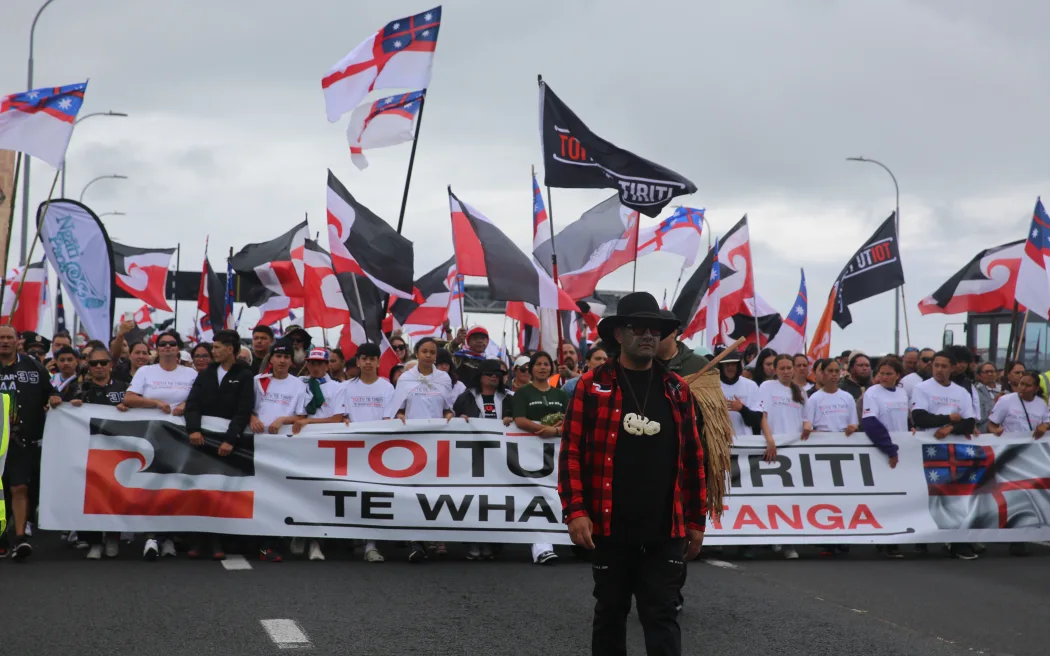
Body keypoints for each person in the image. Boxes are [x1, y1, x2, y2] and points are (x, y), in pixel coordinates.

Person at [559, 292, 706, 656]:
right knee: (610, 613)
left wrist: (696, 520)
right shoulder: (591, 386)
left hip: (664, 527)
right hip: (609, 526)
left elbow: (693, 456)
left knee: (662, 615)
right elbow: (571, 453)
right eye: (638, 327)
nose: (648, 335)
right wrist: (576, 511)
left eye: (655, 329)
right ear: (619, 334)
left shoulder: (678, 389)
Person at [124, 330, 199, 560]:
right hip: (151, 436)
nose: (167, 347)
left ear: (178, 349)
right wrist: (155, 402)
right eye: (163, 344)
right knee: (151, 486)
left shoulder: (190, 373)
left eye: (172, 344)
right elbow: (129, 398)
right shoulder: (146, 371)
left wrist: (186, 405)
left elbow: (200, 399)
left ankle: (169, 538)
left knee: (174, 486)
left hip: (180, 438)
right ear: (157, 349)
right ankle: (151, 537)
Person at [184, 329, 255, 561]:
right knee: (199, 490)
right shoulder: (205, 375)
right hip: (202, 440)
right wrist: (193, 429)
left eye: (216, 348)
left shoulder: (245, 375)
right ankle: (197, 539)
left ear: (230, 349)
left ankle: (218, 540)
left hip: (228, 443)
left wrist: (230, 440)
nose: (212, 352)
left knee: (221, 491)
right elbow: (192, 404)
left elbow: (243, 410)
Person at [386, 337, 453, 562]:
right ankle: (416, 540)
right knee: (413, 491)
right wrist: (402, 417)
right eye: (423, 351)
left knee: (437, 491)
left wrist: (449, 417)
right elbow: (399, 408)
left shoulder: (444, 378)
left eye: (432, 352)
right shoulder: (405, 378)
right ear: (416, 353)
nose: (427, 355)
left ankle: (438, 537)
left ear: (436, 355)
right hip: (412, 443)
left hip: (437, 443)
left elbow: (447, 408)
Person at [909, 350, 978, 559]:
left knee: (955, 496)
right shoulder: (922, 388)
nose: (939, 370)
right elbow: (920, 418)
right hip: (929, 449)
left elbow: (969, 421)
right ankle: (925, 538)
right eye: (935, 365)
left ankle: (956, 541)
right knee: (929, 494)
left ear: (953, 368)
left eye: (943, 366)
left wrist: (949, 428)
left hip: (955, 450)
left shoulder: (961, 392)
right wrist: (949, 417)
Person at [0, 324, 59, 560]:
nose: (4, 341)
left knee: (19, 488)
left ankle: (20, 538)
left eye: (8, 338)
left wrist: (56, 397)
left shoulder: (34, 367)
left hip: (20, 441)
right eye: (0, 338)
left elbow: (51, 392)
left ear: (17, 342)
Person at [338, 342, 396, 563]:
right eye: (364, 358)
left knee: (374, 496)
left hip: (377, 450)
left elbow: (387, 420)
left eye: (372, 358)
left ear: (378, 362)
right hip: (350, 449)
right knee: (352, 493)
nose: (368, 362)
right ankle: (355, 537)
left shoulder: (387, 388)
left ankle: (371, 544)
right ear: (358, 361)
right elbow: (342, 417)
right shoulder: (345, 387)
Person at [70, 346, 129, 559]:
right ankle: (94, 540)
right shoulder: (78, 389)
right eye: (94, 363)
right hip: (87, 452)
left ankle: (113, 537)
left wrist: (129, 407)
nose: (99, 367)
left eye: (103, 362)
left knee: (114, 495)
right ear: (88, 366)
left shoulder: (125, 388)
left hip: (117, 452)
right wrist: (65, 404)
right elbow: (55, 405)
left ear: (111, 365)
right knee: (91, 495)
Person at [452, 358, 513, 562]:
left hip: (500, 459)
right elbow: (451, 419)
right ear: (480, 377)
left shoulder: (509, 398)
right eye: (490, 374)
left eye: (498, 374)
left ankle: (491, 541)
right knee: (472, 499)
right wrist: (459, 421)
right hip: (471, 457)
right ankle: (472, 541)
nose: (495, 377)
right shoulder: (465, 398)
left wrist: (512, 420)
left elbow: (520, 420)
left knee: (495, 500)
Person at [757, 353, 807, 560]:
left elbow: (806, 419)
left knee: (792, 497)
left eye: (789, 368)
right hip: (774, 449)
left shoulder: (801, 391)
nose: (786, 371)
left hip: (794, 450)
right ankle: (773, 537)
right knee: (772, 495)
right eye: (782, 368)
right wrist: (770, 441)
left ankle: (788, 540)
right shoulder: (767, 388)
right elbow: (763, 416)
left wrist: (807, 426)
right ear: (775, 370)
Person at [860, 358, 908, 558]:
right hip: (883, 450)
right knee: (885, 495)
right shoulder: (872, 393)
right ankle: (885, 540)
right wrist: (889, 448)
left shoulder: (903, 392)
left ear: (897, 375)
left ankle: (895, 536)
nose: (885, 378)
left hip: (903, 450)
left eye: (889, 374)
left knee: (900, 495)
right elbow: (870, 422)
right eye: (882, 374)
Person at [716, 345, 762, 438]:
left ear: (738, 365)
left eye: (733, 364)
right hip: (719, 441)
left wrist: (742, 409)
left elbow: (757, 420)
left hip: (744, 442)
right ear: (721, 366)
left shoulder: (751, 386)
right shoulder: (713, 386)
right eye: (727, 364)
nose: (730, 368)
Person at [805, 359, 858, 435]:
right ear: (823, 373)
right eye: (830, 371)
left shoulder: (848, 397)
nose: (834, 374)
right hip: (823, 441)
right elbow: (808, 425)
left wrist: (852, 428)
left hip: (844, 440)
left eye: (837, 371)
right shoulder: (814, 399)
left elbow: (854, 423)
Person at [656, 309, 706, 377]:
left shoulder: (700, 365)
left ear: (674, 332)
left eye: (658, 332)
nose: (651, 337)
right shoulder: (642, 362)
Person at [974, 361, 998, 431]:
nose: (990, 374)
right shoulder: (974, 392)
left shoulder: (1005, 392)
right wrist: (994, 402)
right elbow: (978, 418)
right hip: (983, 434)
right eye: (986, 372)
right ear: (978, 375)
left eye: (992, 371)